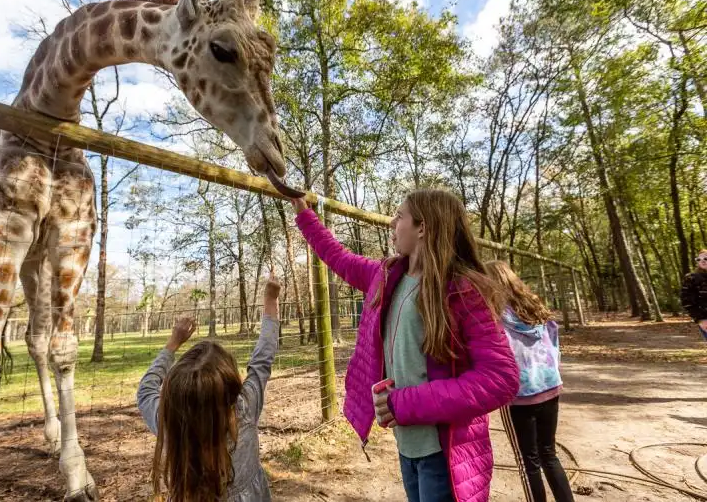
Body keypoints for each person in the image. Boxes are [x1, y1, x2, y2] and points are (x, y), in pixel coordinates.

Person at [292, 189, 519, 502]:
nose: (392, 223)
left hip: (446, 455)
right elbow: (339, 258)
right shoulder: (386, 275)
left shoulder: (464, 290)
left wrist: (406, 403)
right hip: (408, 445)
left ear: (422, 228)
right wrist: (303, 214)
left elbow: (501, 379)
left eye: (399, 216)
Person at [136, 276, 281, 502]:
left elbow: (146, 390)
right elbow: (263, 360)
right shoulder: (244, 408)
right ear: (233, 388)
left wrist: (173, 343)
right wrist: (270, 300)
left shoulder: (170, 420)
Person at [484, 260, 575, 502]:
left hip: (520, 395)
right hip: (550, 387)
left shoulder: (494, 317)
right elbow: (555, 344)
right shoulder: (535, 310)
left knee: (529, 463)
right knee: (549, 454)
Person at [680, 249, 707, 341]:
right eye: (699, 259)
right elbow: (687, 301)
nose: (702, 261)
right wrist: (700, 319)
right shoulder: (691, 278)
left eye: (705, 258)